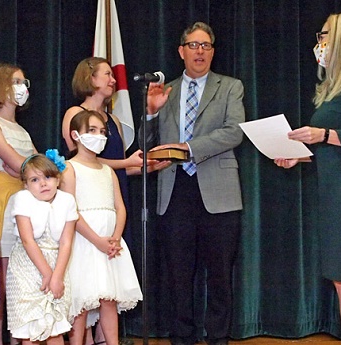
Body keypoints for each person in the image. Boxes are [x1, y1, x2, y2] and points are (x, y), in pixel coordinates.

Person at [274, 11, 341, 345]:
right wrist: (300, 156)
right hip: (334, 193)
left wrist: (323, 134)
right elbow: (332, 143)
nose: (320, 43)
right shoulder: (334, 87)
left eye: (325, 35)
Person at [140, 22, 245, 345]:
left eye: (206, 46)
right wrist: (151, 114)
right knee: (178, 275)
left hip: (218, 190)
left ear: (213, 51)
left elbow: (235, 131)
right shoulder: (164, 91)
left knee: (220, 275)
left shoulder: (229, 86)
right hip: (175, 191)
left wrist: (189, 148)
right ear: (181, 51)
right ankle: (182, 337)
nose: (200, 51)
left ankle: (217, 338)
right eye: (193, 45)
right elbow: (146, 145)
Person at [62, 56, 168, 345]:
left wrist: (146, 165)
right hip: (87, 206)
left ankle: (105, 340)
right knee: (85, 288)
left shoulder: (115, 121)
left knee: (107, 285)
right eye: (107, 74)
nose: (113, 80)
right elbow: (84, 157)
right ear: (89, 78)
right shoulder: (75, 113)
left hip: (112, 198)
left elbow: (121, 162)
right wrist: (124, 165)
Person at [60, 110, 143, 345]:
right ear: (76, 135)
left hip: (110, 245)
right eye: (92, 131)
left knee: (109, 299)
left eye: (103, 132)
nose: (100, 136)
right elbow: (71, 210)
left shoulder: (108, 171)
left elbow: (120, 207)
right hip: (84, 242)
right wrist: (97, 240)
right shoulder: (69, 168)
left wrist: (115, 238)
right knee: (82, 300)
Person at [0, 63, 37, 345]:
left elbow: (31, 165)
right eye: (16, 81)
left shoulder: (22, 130)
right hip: (2, 201)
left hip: (25, 203)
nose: (22, 87)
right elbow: (14, 160)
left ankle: (18, 337)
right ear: (0, 86)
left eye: (23, 81)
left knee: (19, 278)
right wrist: (33, 170)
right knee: (0, 279)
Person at [6, 151, 77, 345]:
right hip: (27, 265)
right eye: (35, 179)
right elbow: (28, 240)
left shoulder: (67, 201)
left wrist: (57, 276)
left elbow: (66, 242)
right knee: (30, 325)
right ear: (26, 185)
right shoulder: (22, 199)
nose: (43, 183)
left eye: (47, 177)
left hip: (56, 264)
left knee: (55, 325)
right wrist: (46, 273)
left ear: (58, 179)